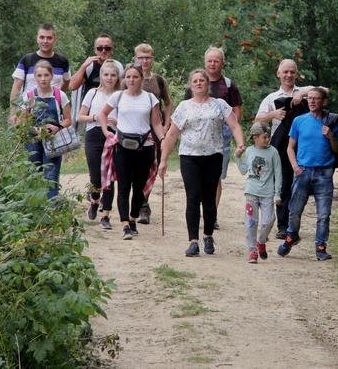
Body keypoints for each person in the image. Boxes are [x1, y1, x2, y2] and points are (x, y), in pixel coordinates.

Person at [159, 69, 247, 257]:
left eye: (202, 80)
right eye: (195, 81)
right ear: (191, 85)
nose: (199, 83)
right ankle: (193, 241)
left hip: (213, 155)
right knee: (193, 198)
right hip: (189, 157)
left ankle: (208, 235)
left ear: (208, 84)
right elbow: (172, 134)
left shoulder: (219, 105)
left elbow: (234, 125)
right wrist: (163, 160)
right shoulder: (184, 106)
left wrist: (240, 143)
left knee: (209, 199)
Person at [255, 59, 325, 239]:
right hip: (281, 146)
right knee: (283, 185)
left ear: (296, 74)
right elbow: (257, 120)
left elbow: (325, 91)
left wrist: (302, 93)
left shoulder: (307, 91)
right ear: (278, 73)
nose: (289, 75)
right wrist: (274, 114)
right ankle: (283, 226)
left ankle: (294, 224)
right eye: (285, 72)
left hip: (306, 146)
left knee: (300, 185)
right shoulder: (271, 98)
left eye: (292, 72)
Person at [277, 87, 338, 261]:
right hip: (303, 171)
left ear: (324, 102)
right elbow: (290, 147)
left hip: (324, 172)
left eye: (316, 99)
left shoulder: (332, 122)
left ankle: (321, 247)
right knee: (294, 210)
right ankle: (292, 236)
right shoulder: (299, 121)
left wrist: (331, 136)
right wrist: (295, 167)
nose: (312, 101)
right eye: (310, 99)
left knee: (323, 213)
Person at [99, 63, 165, 240]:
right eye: (128, 77)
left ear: (141, 79)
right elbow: (103, 114)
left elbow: (156, 123)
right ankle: (125, 225)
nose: (131, 80)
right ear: (124, 79)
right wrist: (107, 132)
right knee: (123, 186)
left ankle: (134, 218)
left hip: (145, 147)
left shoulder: (150, 98)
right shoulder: (118, 97)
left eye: (135, 77)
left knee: (139, 188)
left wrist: (164, 139)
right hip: (122, 147)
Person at [183, 46, 242, 230]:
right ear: (205, 62)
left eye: (216, 60)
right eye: (210, 60)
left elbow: (236, 112)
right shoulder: (194, 83)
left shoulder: (229, 85)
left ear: (222, 63)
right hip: (194, 144)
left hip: (220, 137)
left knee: (215, 179)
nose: (213, 63)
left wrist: (229, 131)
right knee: (196, 184)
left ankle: (211, 215)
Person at [13, 59, 71, 200]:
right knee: (34, 173)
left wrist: (57, 127)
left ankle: (52, 210)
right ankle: (35, 209)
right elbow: (22, 122)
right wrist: (36, 129)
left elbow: (68, 119)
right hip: (33, 140)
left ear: (51, 76)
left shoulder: (60, 95)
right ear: (35, 77)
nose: (43, 79)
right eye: (39, 76)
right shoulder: (29, 96)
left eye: (46, 75)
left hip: (53, 140)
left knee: (51, 176)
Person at [77, 60, 122, 229]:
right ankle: (95, 201)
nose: (109, 78)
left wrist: (116, 121)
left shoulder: (121, 95)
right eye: (106, 75)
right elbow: (80, 117)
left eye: (113, 75)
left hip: (114, 135)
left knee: (110, 176)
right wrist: (95, 117)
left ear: (118, 77)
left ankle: (106, 215)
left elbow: (127, 119)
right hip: (94, 134)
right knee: (96, 176)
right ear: (101, 76)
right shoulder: (92, 93)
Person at [135, 43, 173, 225]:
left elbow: (168, 102)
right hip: (133, 128)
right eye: (141, 57)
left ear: (153, 59)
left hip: (154, 128)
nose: (144, 61)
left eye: (147, 57)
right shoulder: (129, 78)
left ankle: (143, 206)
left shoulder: (159, 81)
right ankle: (135, 202)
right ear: (135, 59)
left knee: (150, 165)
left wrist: (167, 125)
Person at [235, 122, 282, 263]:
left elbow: (278, 174)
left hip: (267, 193)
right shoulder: (249, 151)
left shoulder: (273, 152)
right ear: (255, 138)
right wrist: (237, 157)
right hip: (251, 192)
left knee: (269, 221)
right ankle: (252, 251)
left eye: (268, 137)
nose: (267, 140)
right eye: (264, 137)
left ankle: (261, 241)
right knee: (251, 222)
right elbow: (244, 170)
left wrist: (277, 193)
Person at [9, 23, 70, 123]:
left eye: (49, 38)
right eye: (42, 37)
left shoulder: (62, 61)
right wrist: (13, 113)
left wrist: (59, 100)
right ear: (37, 38)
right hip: (28, 112)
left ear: (55, 39)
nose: (45, 41)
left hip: (54, 115)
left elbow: (67, 81)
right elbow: (16, 88)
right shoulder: (27, 60)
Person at [69, 34, 124, 100]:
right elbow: (72, 86)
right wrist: (83, 66)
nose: (104, 51)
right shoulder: (89, 67)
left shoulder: (120, 67)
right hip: (91, 107)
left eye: (107, 48)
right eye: (100, 48)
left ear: (112, 50)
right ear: (95, 50)